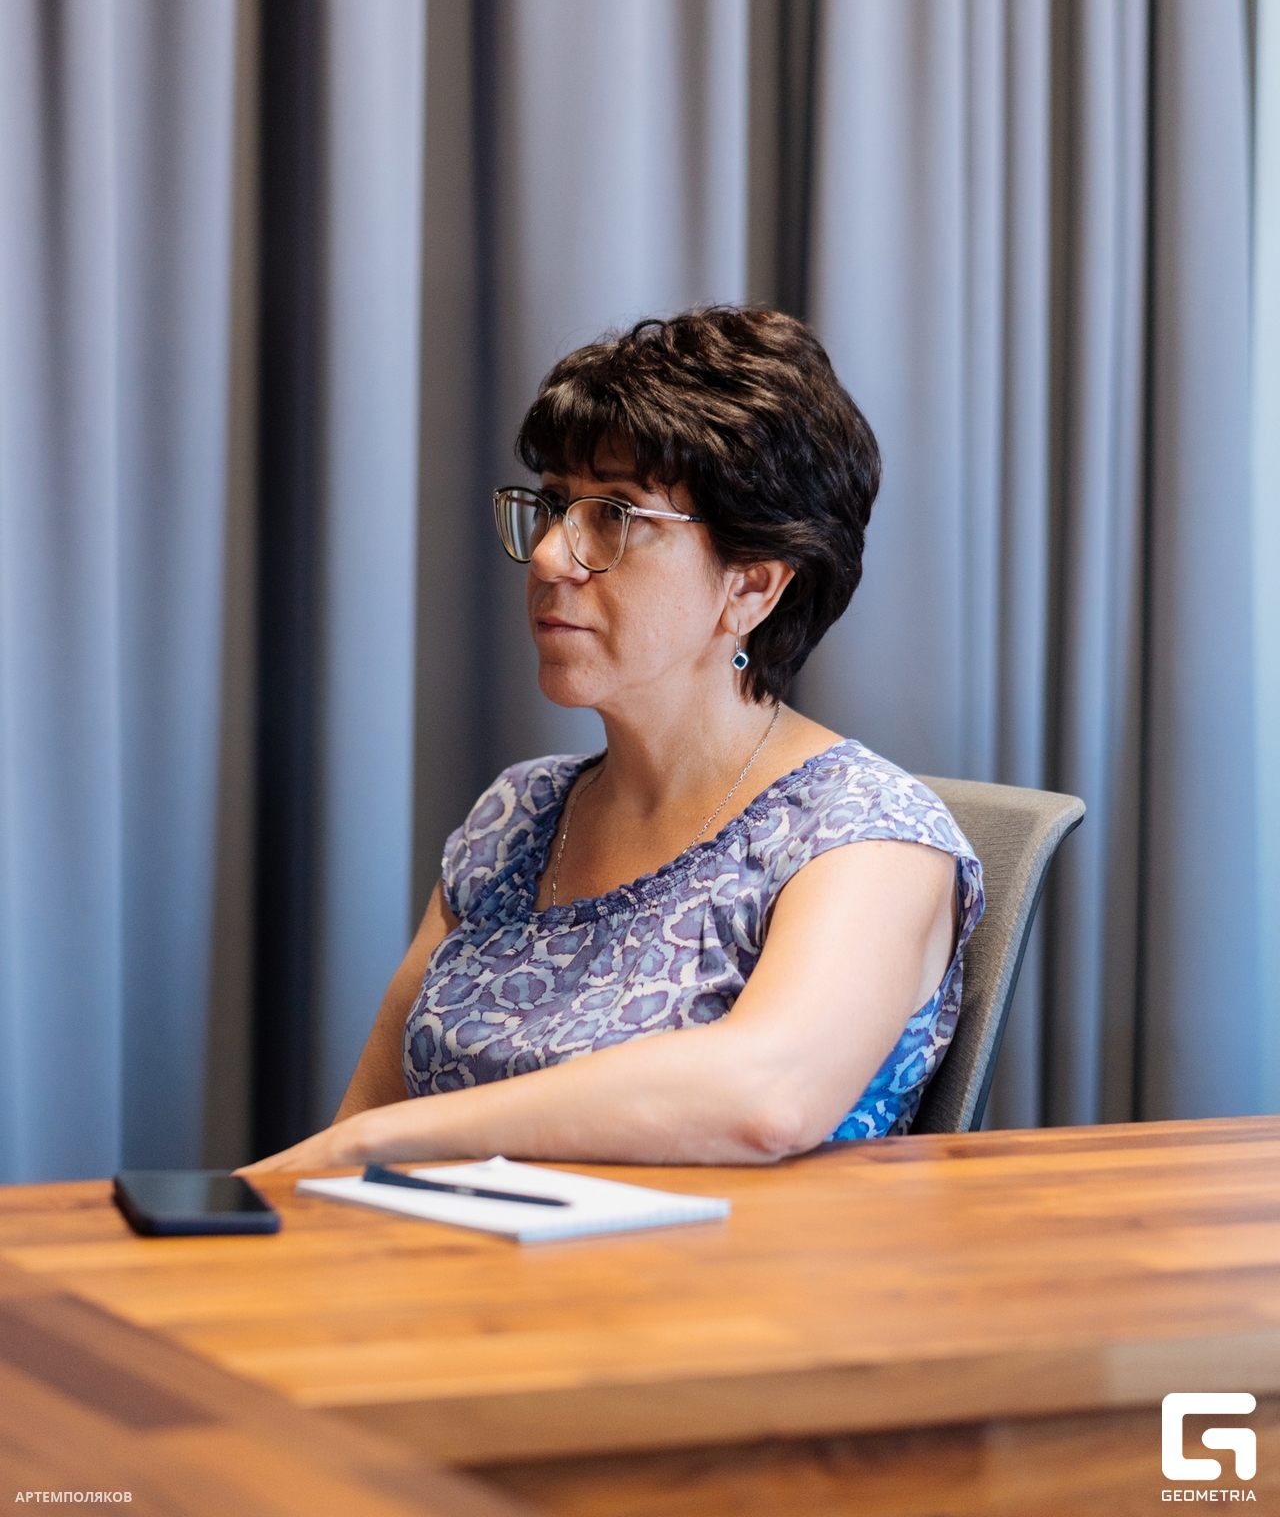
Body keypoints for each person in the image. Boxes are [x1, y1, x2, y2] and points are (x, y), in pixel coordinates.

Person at [247, 306, 982, 1175]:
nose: (550, 557)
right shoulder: (516, 815)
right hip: (440, 1258)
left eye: (615, 515)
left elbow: (769, 1096)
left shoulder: (867, 833)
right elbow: (350, 1134)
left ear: (752, 586)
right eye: (556, 506)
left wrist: (386, 1143)